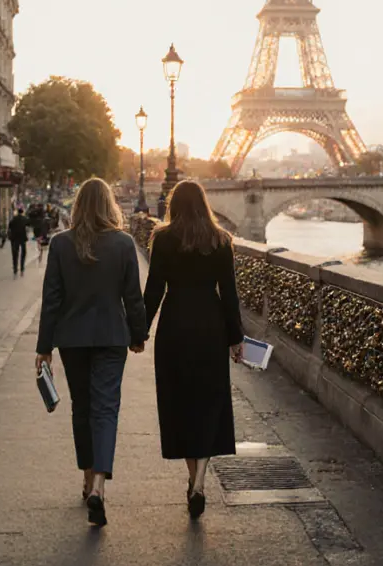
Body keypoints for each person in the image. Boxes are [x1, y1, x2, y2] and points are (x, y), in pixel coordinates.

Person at [36, 178, 147, 527]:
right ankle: (99, 484)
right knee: (106, 409)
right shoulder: (124, 243)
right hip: (113, 336)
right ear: (110, 205)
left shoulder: (60, 245)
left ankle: (87, 479)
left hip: (72, 338)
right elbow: (133, 297)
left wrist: (44, 348)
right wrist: (139, 334)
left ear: (78, 206)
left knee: (81, 409)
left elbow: (52, 299)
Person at [143, 180, 244, 520]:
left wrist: (139, 331)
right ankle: (199, 480)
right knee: (208, 402)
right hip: (210, 326)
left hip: (175, 325)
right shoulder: (221, 241)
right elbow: (229, 295)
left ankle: (192, 480)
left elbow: (154, 289)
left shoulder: (163, 238)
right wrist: (236, 338)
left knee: (181, 403)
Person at [8, 208, 30, 276]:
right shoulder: (25, 219)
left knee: (15, 254)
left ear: (17, 212)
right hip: (22, 238)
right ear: (22, 212)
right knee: (23, 253)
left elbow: (10, 227)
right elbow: (28, 226)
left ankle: (15, 268)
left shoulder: (13, 219)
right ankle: (22, 268)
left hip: (15, 239)